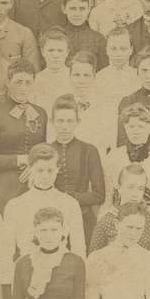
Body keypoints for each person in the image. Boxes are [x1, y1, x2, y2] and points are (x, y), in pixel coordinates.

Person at [0, 59, 47, 210]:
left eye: (28, 82)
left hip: (35, 183)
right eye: (18, 82)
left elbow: (46, 149)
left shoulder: (41, 114)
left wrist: (35, 165)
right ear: (8, 83)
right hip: (4, 187)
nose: (23, 88)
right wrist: (21, 159)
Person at [4, 143, 87, 258]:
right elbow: (6, 251)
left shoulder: (70, 203)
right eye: (40, 170)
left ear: (57, 169)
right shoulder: (14, 205)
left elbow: (79, 249)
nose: (45, 176)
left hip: (61, 270)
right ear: (30, 169)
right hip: (27, 269)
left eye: (50, 170)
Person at [49, 94, 105, 239]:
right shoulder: (44, 151)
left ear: (77, 122)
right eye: (60, 121)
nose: (65, 126)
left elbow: (99, 195)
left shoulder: (89, 150)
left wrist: (72, 198)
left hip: (82, 218)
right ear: (52, 122)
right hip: (49, 219)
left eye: (69, 121)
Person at [107, 102, 150, 211]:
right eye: (131, 126)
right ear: (125, 128)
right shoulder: (114, 156)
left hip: (147, 214)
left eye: (141, 126)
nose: (136, 131)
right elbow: (108, 193)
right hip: (118, 213)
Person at [89, 163, 150, 258]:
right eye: (130, 187)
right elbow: (94, 257)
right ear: (119, 188)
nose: (135, 194)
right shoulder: (107, 219)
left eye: (140, 189)